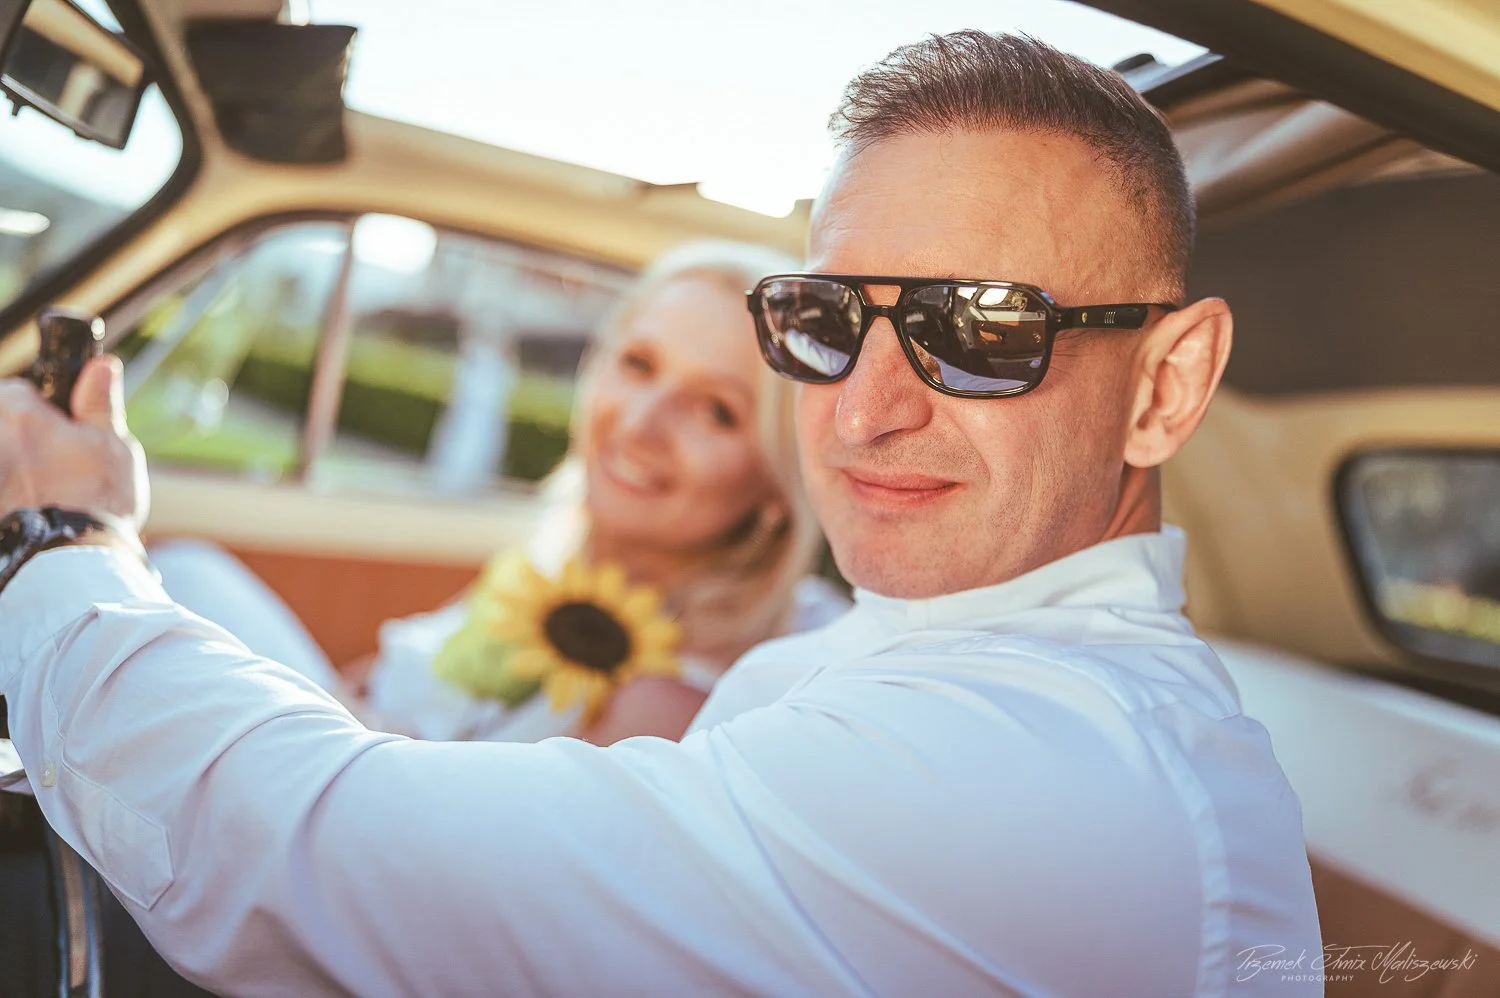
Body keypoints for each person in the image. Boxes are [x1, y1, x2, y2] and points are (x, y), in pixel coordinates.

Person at [0, 32, 1322, 996]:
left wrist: (73, 543)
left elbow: (324, 858)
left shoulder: (1043, 768)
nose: (862, 412)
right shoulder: (912, 663)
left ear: (1167, 384)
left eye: (976, 330)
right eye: (824, 321)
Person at [148, 241, 842, 746]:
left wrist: (353, 723)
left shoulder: (667, 709)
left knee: (183, 576)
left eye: (714, 410)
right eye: (637, 365)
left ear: (779, 488)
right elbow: (394, 672)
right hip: (335, 751)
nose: (638, 424)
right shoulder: (554, 571)